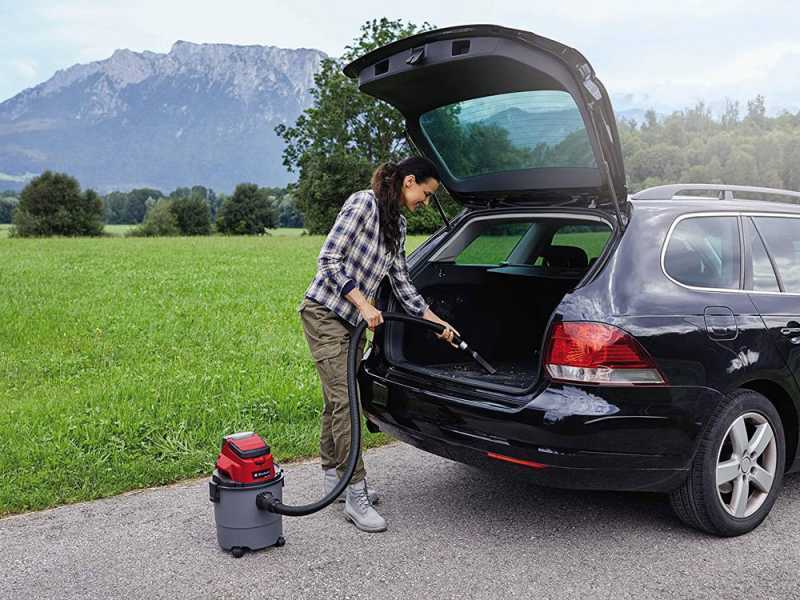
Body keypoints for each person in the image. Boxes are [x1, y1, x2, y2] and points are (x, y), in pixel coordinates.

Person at [298, 156, 460, 533]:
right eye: (426, 193)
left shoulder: (397, 225)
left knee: (336, 399)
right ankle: (354, 493)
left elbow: (401, 281)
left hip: (352, 322)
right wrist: (364, 303)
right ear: (408, 182)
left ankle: (331, 479)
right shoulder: (362, 204)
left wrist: (432, 320)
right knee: (346, 402)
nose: (425, 202)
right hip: (324, 313)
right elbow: (329, 260)